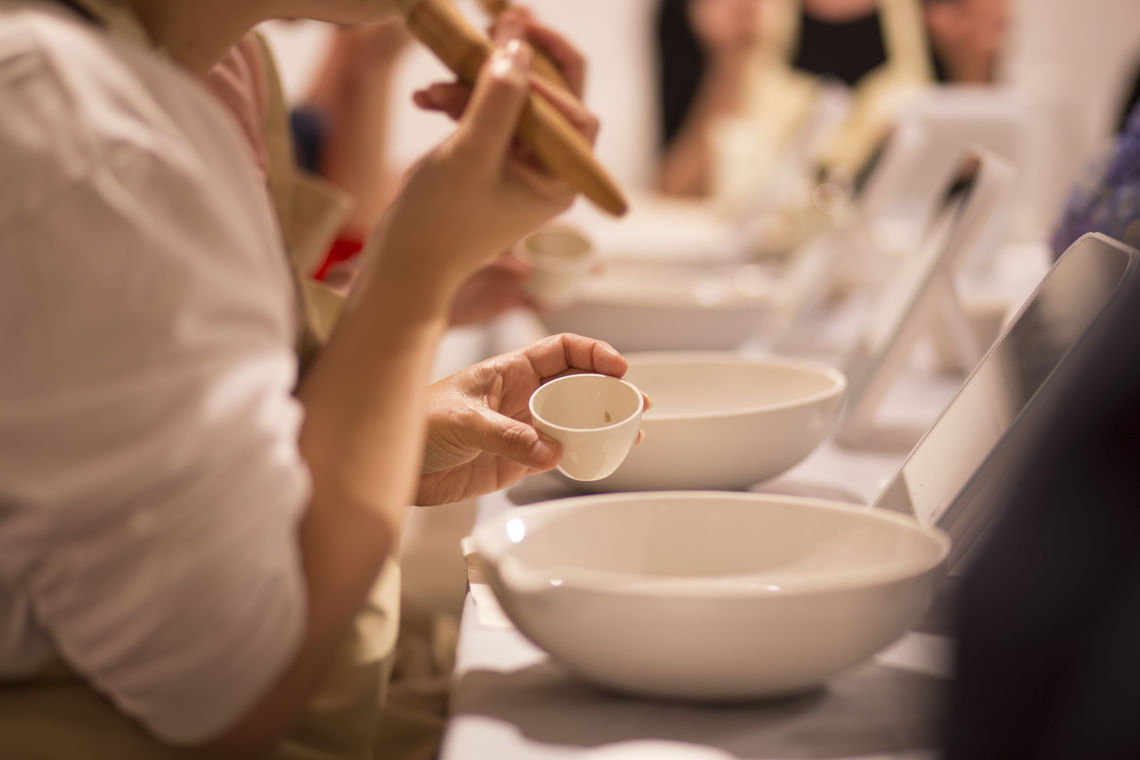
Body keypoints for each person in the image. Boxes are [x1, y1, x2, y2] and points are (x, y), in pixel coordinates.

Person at [0, 2, 635, 760]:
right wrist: (416, 268)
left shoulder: (217, 67)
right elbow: (235, 694)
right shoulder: (81, 130)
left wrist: (401, 432)